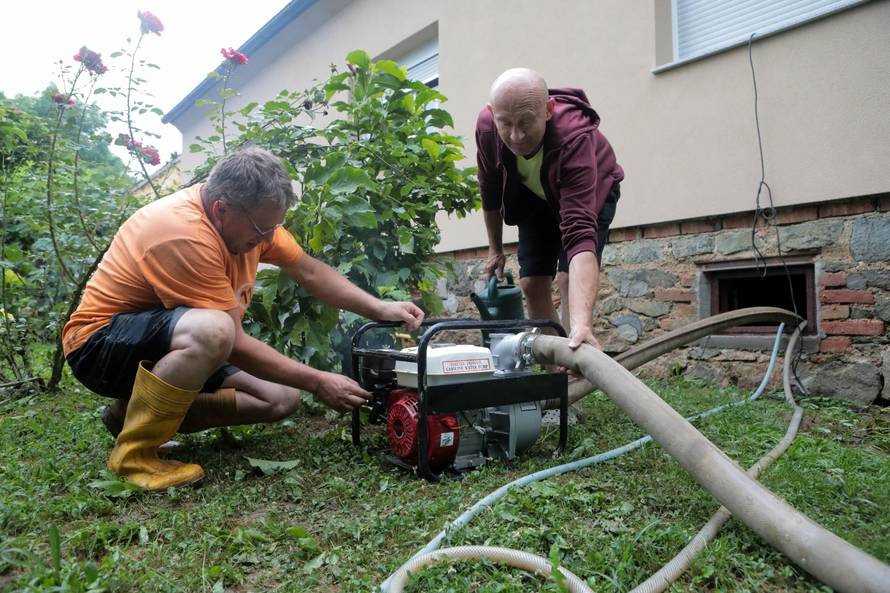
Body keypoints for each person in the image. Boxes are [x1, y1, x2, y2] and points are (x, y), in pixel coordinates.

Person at [62, 147, 424, 490]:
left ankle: (129, 416)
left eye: (273, 229)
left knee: (280, 398)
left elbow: (308, 271)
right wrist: (317, 381)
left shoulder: (250, 222)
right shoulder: (181, 233)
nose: (267, 239)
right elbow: (230, 341)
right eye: (261, 230)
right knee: (214, 330)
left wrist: (379, 308)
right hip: (99, 347)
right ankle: (134, 457)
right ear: (222, 210)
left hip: (161, 343)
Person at [476, 68, 623, 422]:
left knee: (567, 278)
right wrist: (495, 248)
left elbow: (579, 235)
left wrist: (582, 324)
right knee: (531, 282)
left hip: (592, 190)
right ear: (492, 113)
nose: (515, 135)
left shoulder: (574, 136)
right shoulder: (487, 128)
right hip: (534, 198)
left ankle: (575, 361)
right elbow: (491, 190)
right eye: (505, 123)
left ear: (549, 109)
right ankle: (556, 379)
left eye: (526, 122)